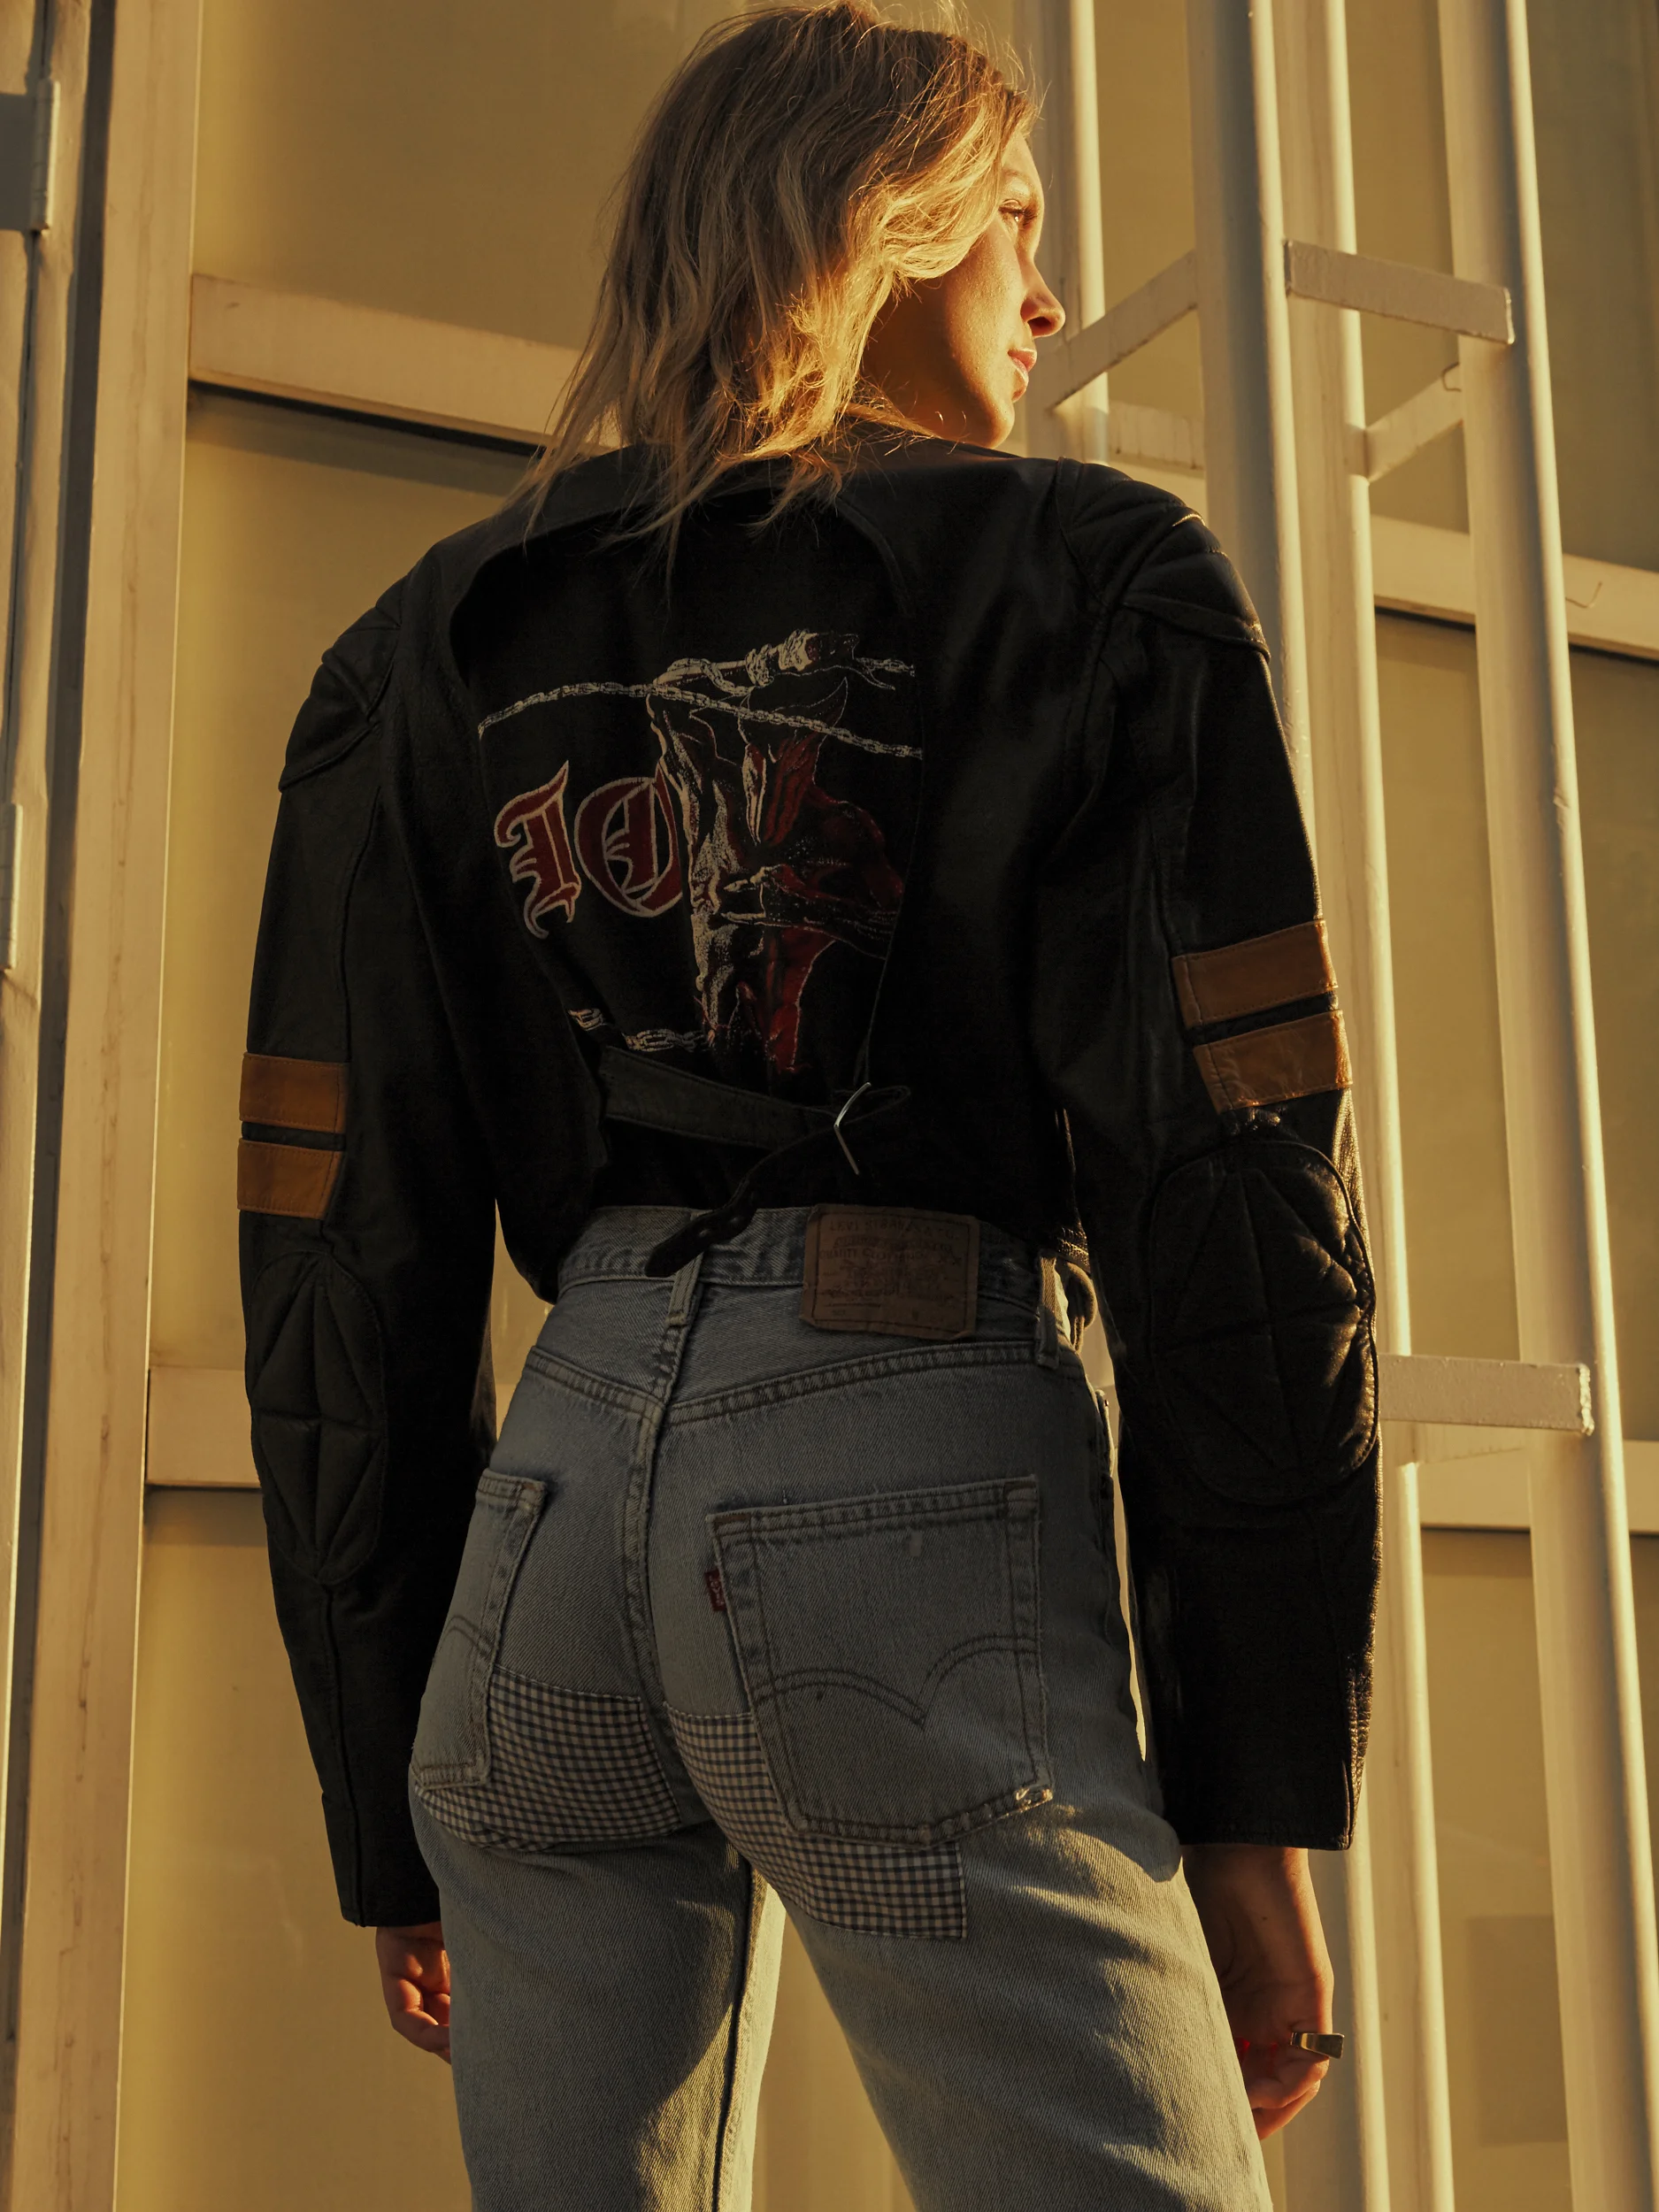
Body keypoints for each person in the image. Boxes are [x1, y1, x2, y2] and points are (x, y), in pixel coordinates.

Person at [238, 4, 1379, 2205]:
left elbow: (339, 1235)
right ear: (886, 226)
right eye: (1015, 225)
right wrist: (1254, 1799)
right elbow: (1232, 1189)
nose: (1049, 292)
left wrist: (390, 1789)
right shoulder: (1093, 576)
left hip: (549, 1529)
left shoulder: (418, 647)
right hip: (896, 1464)